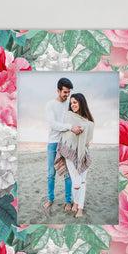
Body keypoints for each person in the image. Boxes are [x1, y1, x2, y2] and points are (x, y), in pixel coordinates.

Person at [43, 78, 83, 212]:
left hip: (66, 143)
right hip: (53, 143)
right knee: (50, 173)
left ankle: (67, 201)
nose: (67, 95)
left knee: (68, 174)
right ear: (58, 90)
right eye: (65, 92)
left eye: (69, 92)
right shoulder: (50, 105)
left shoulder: (69, 105)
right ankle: (50, 199)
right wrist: (70, 127)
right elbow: (53, 124)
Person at [54, 93, 94, 218]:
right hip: (69, 153)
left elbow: (88, 141)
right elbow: (63, 133)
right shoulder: (68, 117)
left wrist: (82, 135)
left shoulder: (89, 122)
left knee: (82, 182)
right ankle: (76, 203)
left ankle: (79, 207)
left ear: (81, 103)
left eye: (75, 102)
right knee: (76, 181)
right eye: (71, 103)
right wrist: (73, 130)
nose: (73, 105)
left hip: (83, 154)